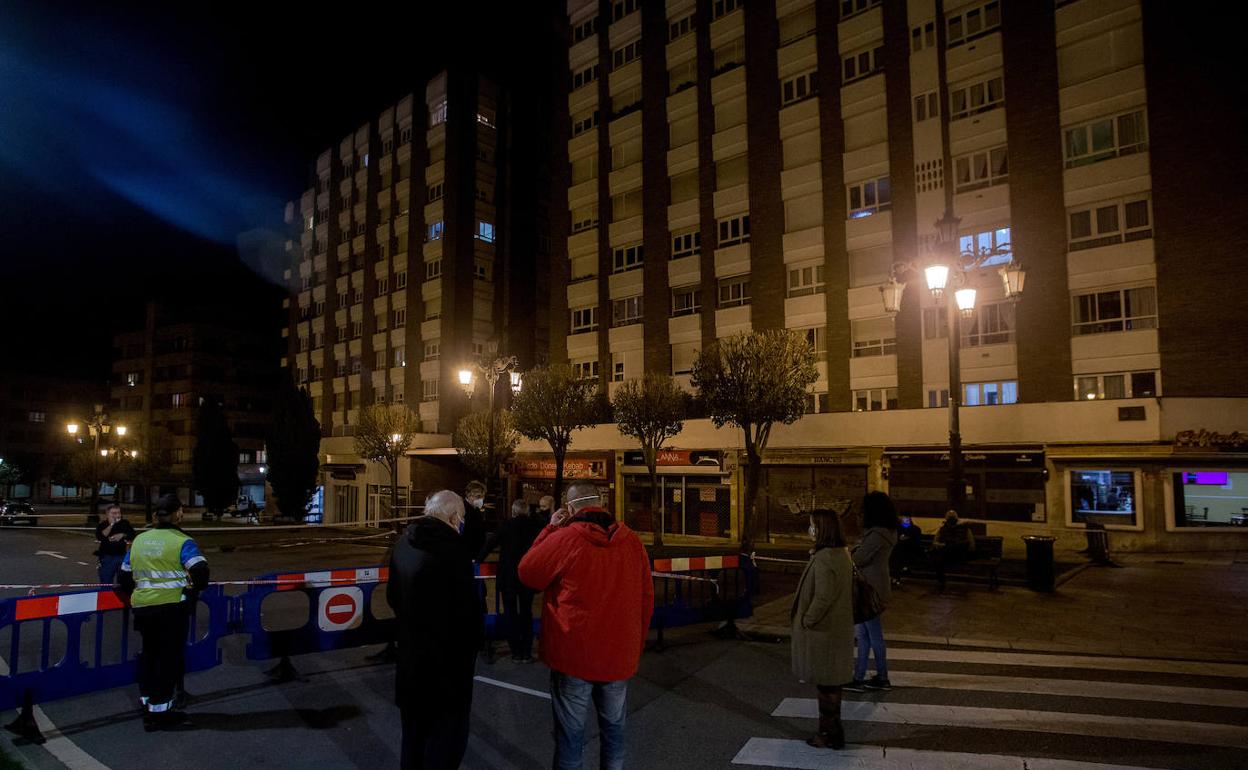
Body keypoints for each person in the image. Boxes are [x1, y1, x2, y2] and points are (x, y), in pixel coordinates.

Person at [519, 482, 654, 770]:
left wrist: (550, 529)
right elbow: (646, 598)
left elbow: (528, 572)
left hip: (574, 655)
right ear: (603, 502)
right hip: (618, 655)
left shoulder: (567, 538)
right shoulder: (631, 541)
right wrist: (636, 645)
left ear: (569, 508)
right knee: (615, 732)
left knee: (570, 738)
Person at [387, 490, 483, 770]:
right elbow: (468, 615)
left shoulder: (404, 544)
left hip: (410, 662)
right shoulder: (453, 553)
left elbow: (393, 597)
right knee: (444, 746)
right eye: (462, 518)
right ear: (454, 517)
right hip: (447, 673)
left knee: (413, 741)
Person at [117, 493, 207, 732]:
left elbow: (124, 576)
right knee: (168, 660)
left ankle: (147, 703)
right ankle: (161, 714)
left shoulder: (139, 540)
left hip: (144, 608)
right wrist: (190, 591)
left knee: (149, 655)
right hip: (171, 609)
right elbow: (200, 571)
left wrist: (140, 592)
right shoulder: (182, 541)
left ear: (157, 515)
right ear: (178, 513)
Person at [790, 508, 854, 750]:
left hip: (824, 632)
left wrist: (808, 619)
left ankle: (828, 733)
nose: (809, 529)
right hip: (835, 630)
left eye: (812, 525)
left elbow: (824, 597)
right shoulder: (839, 554)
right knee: (831, 684)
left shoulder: (826, 557)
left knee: (826, 687)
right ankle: (832, 732)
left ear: (822, 529)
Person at [478, 498, 544, 663]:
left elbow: (490, 544)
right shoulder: (534, 526)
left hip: (508, 576)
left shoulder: (506, 526)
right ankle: (527, 652)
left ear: (513, 511)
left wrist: (478, 560)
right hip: (526, 575)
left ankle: (515, 650)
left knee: (510, 613)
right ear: (527, 511)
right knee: (526, 612)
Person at [846, 492, 899, 692]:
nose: (860, 514)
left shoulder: (877, 535)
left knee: (872, 635)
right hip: (873, 587)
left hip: (870, 589)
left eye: (863, 510)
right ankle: (860, 676)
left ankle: (881, 676)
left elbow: (859, 559)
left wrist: (852, 551)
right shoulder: (884, 533)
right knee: (864, 634)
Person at [931, 509, 977, 590]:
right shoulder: (944, 529)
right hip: (949, 554)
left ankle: (941, 581)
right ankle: (941, 581)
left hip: (958, 554)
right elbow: (935, 541)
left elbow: (969, 544)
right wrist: (939, 545)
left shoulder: (963, 528)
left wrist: (944, 545)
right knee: (937, 559)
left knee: (939, 557)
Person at [95, 503, 136, 585]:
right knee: (106, 582)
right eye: (114, 513)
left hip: (122, 556)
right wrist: (111, 525)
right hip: (107, 557)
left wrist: (123, 535)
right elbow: (100, 536)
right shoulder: (103, 524)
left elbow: (132, 534)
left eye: (118, 513)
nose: (117, 515)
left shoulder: (125, 523)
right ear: (107, 514)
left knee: (124, 581)